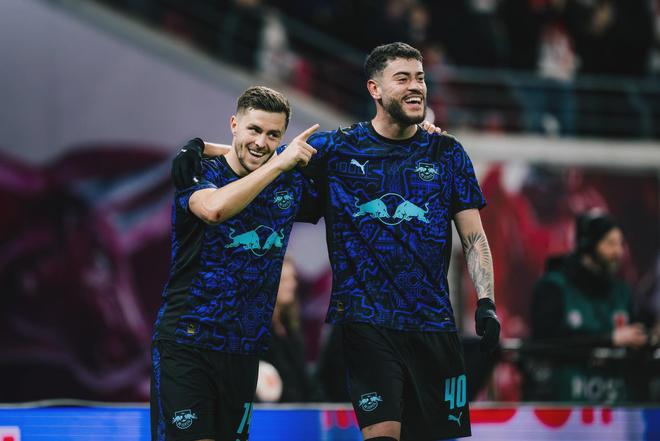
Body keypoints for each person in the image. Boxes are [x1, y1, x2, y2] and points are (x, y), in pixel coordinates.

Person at [174, 42, 500, 441]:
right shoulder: (339, 149)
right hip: (366, 322)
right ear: (374, 89)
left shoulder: (448, 153)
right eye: (402, 78)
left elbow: (473, 237)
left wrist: (486, 301)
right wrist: (202, 149)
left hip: (433, 324)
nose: (416, 86)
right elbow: (268, 156)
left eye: (420, 78)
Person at [151, 86, 321, 441]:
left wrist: (421, 133)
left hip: (243, 351)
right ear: (233, 124)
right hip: (188, 342)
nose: (261, 142)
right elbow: (213, 209)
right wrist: (278, 163)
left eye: (273, 135)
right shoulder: (200, 170)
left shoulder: (288, 184)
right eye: (254, 129)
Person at [530, 211, 648, 402]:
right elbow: (545, 342)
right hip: (564, 405)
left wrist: (649, 335)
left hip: (617, 405)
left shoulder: (622, 291)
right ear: (588, 244)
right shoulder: (553, 286)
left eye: (620, 243)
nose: (618, 252)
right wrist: (609, 339)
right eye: (610, 243)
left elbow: (637, 333)